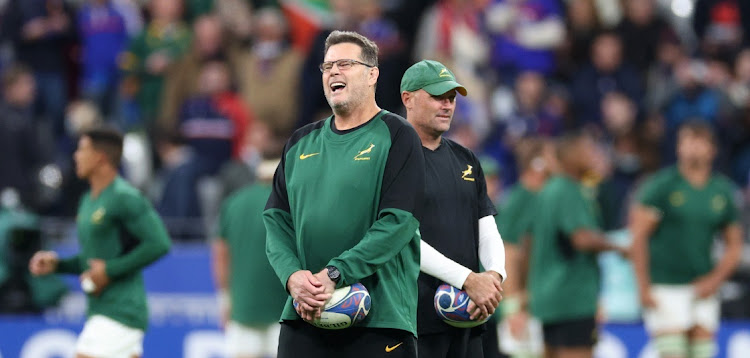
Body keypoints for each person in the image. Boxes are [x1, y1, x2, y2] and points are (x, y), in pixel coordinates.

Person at [264, 30, 424, 358]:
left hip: (380, 318)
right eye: (327, 67)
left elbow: (398, 222)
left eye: (346, 64)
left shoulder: (397, 135)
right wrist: (293, 277)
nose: (334, 72)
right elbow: (277, 221)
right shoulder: (299, 142)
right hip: (305, 313)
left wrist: (336, 273)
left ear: (372, 74)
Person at [28, 126, 171, 358]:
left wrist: (110, 270)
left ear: (100, 157)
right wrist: (58, 265)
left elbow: (160, 243)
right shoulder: (87, 200)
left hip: (121, 309)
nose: (76, 155)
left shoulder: (125, 197)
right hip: (99, 309)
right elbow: (92, 259)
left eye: (82, 149)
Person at [399, 59, 506, 358]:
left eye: (452, 98)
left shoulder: (466, 158)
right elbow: (402, 240)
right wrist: (469, 279)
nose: (447, 105)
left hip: (468, 314)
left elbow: (486, 228)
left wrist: (495, 277)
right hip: (412, 318)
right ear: (408, 98)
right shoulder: (392, 159)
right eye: (437, 97)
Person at [629, 121, 743, 358]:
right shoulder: (661, 186)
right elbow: (638, 237)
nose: (692, 148)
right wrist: (642, 286)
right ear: (678, 147)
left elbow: (734, 246)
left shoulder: (721, 191)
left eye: (699, 141)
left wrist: (715, 279)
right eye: (686, 141)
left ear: (712, 149)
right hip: (666, 285)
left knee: (702, 353)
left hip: (703, 287)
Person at [528, 132, 627, 358]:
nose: (595, 155)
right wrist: (620, 248)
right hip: (572, 297)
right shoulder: (569, 189)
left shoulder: (549, 189)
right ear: (571, 156)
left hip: (549, 297)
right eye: (589, 150)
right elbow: (581, 238)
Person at [212, 137, 286, 358]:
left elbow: (221, 255)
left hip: (243, 309)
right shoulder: (295, 202)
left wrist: (225, 300)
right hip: (287, 311)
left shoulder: (233, 203)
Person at [495, 138, 556, 358]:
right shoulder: (519, 201)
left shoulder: (547, 197)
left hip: (543, 301)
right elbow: (508, 255)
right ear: (537, 163)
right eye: (551, 156)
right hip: (524, 306)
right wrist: (513, 309)